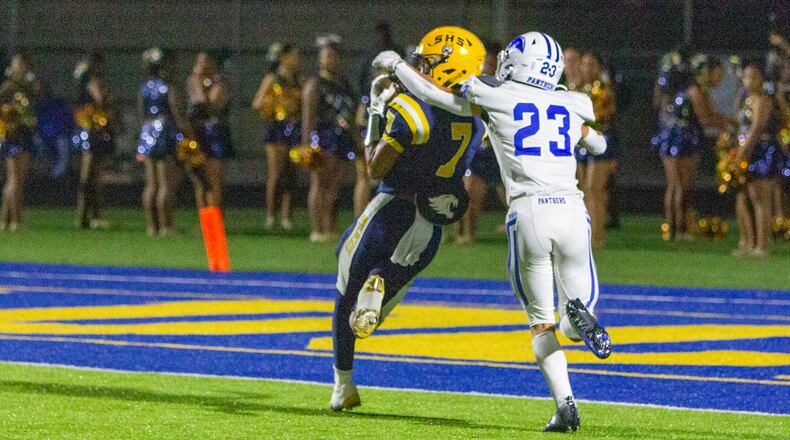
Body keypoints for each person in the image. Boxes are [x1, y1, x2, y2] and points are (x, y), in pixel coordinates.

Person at [375, 30, 613, 432]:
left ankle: (566, 404)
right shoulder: (569, 103)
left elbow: (436, 95)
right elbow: (600, 146)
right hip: (573, 211)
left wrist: (396, 64)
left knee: (541, 322)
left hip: (530, 212)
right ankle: (577, 323)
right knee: (578, 309)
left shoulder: (498, 93)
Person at [330, 26, 485, 412]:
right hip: (431, 224)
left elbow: (374, 168)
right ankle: (381, 282)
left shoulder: (411, 110)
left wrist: (375, 112)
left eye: (427, 63)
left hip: (391, 210)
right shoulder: (479, 119)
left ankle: (343, 384)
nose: (420, 67)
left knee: (346, 291)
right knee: (383, 297)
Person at [653, 54, 733, 240]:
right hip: (680, 138)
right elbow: (706, 119)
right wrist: (728, 126)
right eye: (718, 73)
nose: (720, 78)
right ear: (706, 72)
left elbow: (712, 114)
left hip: (678, 136)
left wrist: (729, 121)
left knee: (677, 186)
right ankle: (679, 229)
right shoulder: (695, 91)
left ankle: (675, 229)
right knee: (681, 186)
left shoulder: (698, 90)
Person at [301, 35, 362, 242]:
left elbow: (351, 114)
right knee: (319, 183)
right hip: (322, 137)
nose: (331, 59)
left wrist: (356, 138)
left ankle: (330, 225)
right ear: (320, 58)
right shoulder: (315, 83)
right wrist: (307, 145)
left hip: (342, 139)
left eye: (334, 55)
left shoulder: (343, 84)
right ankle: (317, 228)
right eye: (327, 55)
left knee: (335, 187)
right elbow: (308, 117)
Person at [137, 48, 194, 236]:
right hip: (164, 132)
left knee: (151, 184)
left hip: (147, 131)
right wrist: (189, 134)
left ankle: (152, 226)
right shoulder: (169, 86)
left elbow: (141, 113)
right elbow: (177, 113)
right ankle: (166, 226)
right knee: (165, 184)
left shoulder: (144, 87)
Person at [455, 40, 506, 246]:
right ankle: (467, 233)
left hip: (499, 149)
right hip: (478, 148)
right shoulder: (472, 85)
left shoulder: (505, 89)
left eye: (492, 64)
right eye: (486, 63)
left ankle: (521, 230)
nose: (488, 68)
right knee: (470, 193)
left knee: (509, 194)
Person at [733, 62, 785, 257]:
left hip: (764, 150)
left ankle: (762, 246)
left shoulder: (763, 100)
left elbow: (756, 129)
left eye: (753, 77)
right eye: (746, 77)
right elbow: (741, 124)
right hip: (753, 150)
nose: (749, 81)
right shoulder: (748, 99)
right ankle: (753, 243)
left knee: (762, 198)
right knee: (752, 196)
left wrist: (741, 151)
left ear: (761, 79)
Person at [252, 43, 301, 230]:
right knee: (276, 173)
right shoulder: (272, 78)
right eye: (293, 56)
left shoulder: (298, 79)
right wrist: (274, 106)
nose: (297, 60)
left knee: (292, 174)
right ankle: (271, 215)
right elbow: (257, 103)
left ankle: (287, 216)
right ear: (283, 57)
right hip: (276, 127)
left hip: (294, 127)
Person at [578, 52, 617, 248]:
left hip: (600, 139)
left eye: (591, 64)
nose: (587, 68)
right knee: (584, 190)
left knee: (595, 190)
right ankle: (587, 234)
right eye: (584, 64)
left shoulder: (603, 88)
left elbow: (604, 115)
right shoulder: (578, 88)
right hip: (582, 140)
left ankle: (597, 236)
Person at [73, 52, 116, 229]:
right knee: (91, 176)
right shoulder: (92, 82)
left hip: (91, 131)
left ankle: (88, 215)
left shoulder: (83, 83)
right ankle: (88, 216)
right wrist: (109, 99)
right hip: (93, 131)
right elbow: (101, 100)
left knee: (93, 177)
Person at [187, 51, 233, 209]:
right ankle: (205, 222)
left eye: (203, 62)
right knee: (200, 182)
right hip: (196, 133)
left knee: (213, 182)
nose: (199, 66)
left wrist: (199, 87)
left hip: (215, 134)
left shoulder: (220, 82)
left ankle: (214, 222)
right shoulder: (193, 81)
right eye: (198, 62)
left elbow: (210, 107)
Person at [0, 54, 41, 231]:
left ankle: (7, 220)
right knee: (15, 178)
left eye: (23, 65)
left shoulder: (28, 86)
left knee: (15, 179)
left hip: (24, 132)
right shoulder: (9, 86)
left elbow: (32, 107)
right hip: (14, 133)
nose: (21, 68)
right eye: (17, 65)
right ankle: (16, 220)